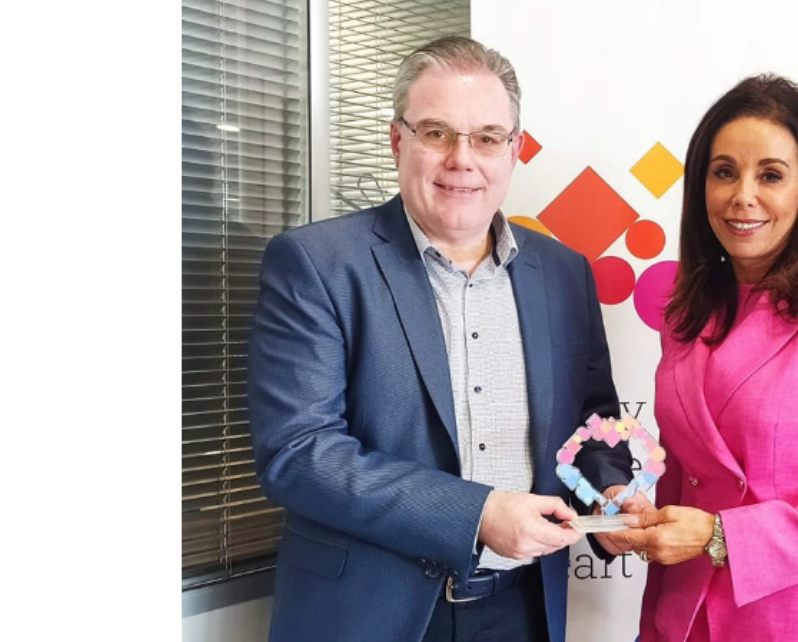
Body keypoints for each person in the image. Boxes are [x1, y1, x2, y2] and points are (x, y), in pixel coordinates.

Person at [247, 35, 639, 642]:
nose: (462, 159)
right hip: (368, 614)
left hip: (523, 610)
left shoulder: (564, 273)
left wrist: (607, 492)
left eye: (487, 137)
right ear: (397, 140)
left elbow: (594, 420)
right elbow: (298, 453)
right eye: (436, 132)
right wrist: (477, 514)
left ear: (514, 149)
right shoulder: (316, 264)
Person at [615, 74, 798, 642]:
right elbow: (688, 480)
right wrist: (644, 522)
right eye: (724, 172)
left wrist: (720, 536)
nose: (743, 195)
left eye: (771, 175)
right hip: (685, 619)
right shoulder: (686, 314)